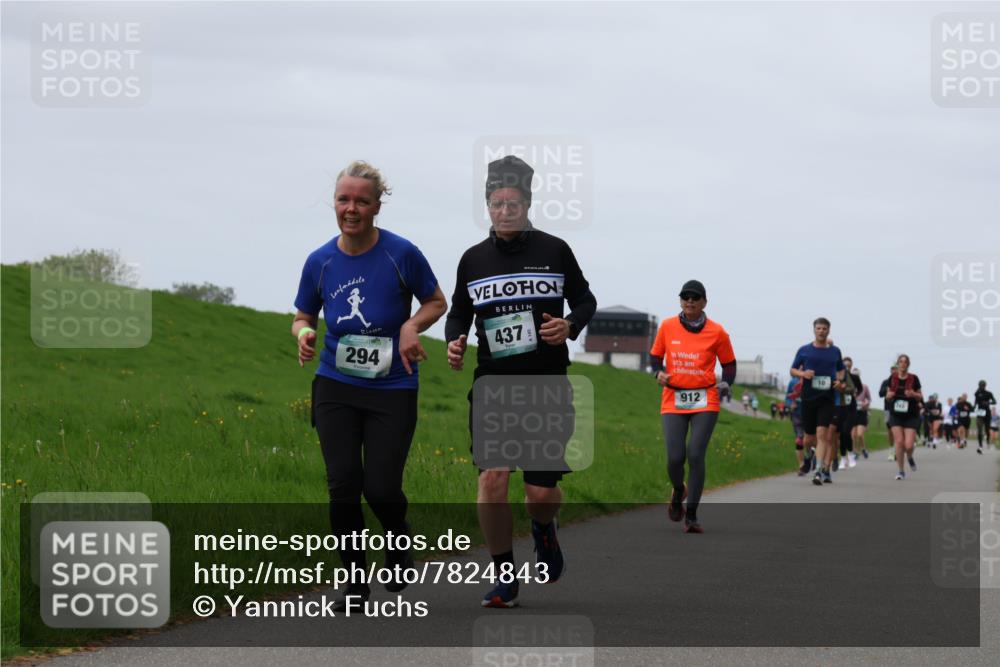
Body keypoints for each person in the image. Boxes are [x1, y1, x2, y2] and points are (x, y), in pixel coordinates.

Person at [292, 160, 448, 610]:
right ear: (335, 204)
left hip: (392, 387)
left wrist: (411, 326)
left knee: (380, 488)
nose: (351, 208)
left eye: (362, 200)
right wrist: (304, 335)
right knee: (342, 484)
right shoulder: (320, 261)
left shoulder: (401, 254)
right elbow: (304, 314)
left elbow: (436, 301)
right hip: (335, 383)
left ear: (378, 206)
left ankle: (398, 541)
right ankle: (355, 581)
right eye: (344, 199)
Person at [445, 155, 597, 609]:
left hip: (546, 385)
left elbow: (586, 299)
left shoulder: (554, 250)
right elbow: (459, 311)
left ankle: (543, 527)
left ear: (527, 203)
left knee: (541, 493)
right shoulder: (473, 260)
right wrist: (454, 339)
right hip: (493, 383)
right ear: (487, 206)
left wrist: (569, 326)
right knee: (492, 477)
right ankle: (503, 575)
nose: (504, 211)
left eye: (512, 203)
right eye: (496, 203)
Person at [650, 280, 736, 533]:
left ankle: (692, 514)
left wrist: (726, 383)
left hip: (705, 398)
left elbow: (729, 364)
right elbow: (655, 357)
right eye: (685, 297)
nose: (689, 301)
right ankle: (678, 490)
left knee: (696, 454)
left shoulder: (717, 332)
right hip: (673, 398)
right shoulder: (667, 327)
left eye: (695, 297)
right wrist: (658, 373)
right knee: (675, 458)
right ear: (680, 301)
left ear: (704, 302)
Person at [790, 318, 846, 485]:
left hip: (826, 398)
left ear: (829, 330)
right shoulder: (804, 350)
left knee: (822, 435)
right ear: (814, 330)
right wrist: (803, 374)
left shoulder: (835, 351)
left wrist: (839, 381)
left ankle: (818, 471)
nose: (821, 331)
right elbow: (792, 369)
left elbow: (841, 370)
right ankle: (808, 456)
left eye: (824, 328)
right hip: (808, 398)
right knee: (808, 439)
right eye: (818, 328)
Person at [886, 354, 923, 480]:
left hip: (911, 414)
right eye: (900, 362)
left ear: (908, 364)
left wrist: (913, 394)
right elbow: (887, 395)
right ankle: (901, 471)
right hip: (896, 414)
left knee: (908, 445)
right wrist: (889, 396)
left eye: (905, 362)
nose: (903, 364)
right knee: (899, 442)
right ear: (898, 364)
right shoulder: (893, 378)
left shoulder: (914, 378)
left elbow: (920, 396)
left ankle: (910, 457)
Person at [836, 356, 859, 469]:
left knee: (846, 432)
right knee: (841, 434)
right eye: (845, 365)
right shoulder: (836, 375)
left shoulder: (854, 377)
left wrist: (854, 393)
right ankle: (843, 458)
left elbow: (858, 389)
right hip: (840, 407)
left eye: (848, 366)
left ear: (851, 366)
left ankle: (850, 454)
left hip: (851, 408)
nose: (846, 367)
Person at [787, 375, 808, 474]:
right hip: (797, 415)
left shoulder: (812, 380)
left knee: (810, 440)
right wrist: (791, 404)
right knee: (799, 440)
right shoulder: (793, 382)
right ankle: (801, 466)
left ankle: (811, 458)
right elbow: (788, 396)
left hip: (810, 414)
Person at [851, 368, 871, 459]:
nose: (855, 377)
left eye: (857, 375)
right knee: (853, 435)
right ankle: (855, 452)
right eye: (854, 375)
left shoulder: (864, 387)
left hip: (861, 412)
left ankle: (863, 448)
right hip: (852, 412)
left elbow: (869, 399)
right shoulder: (849, 387)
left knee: (859, 434)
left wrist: (865, 404)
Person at [878, 365, 897, 460]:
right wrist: (887, 390)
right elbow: (880, 394)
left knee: (898, 430)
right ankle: (891, 450)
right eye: (892, 371)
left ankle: (898, 449)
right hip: (888, 409)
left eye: (895, 370)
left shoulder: (902, 382)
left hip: (899, 410)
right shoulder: (886, 382)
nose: (894, 372)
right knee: (890, 430)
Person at [972, 380, 997, 454]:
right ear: (979, 385)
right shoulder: (977, 393)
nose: (981, 387)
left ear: (985, 386)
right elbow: (976, 401)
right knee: (979, 429)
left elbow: (995, 401)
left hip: (987, 413)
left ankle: (987, 441)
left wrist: (988, 402)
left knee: (987, 429)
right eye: (980, 385)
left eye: (983, 385)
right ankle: (980, 445)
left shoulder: (989, 393)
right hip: (980, 412)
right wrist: (973, 407)